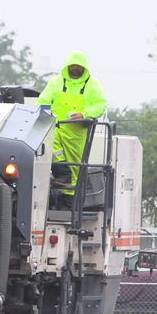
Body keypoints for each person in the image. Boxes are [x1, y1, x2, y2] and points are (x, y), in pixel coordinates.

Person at [37, 50, 107, 208]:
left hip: (76, 133)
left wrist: (85, 113)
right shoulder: (56, 82)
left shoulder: (92, 84)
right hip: (55, 128)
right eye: (72, 65)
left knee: (76, 170)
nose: (75, 68)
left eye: (78, 66)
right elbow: (42, 101)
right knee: (50, 146)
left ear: (84, 68)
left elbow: (100, 104)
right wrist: (47, 114)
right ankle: (63, 174)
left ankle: (69, 204)